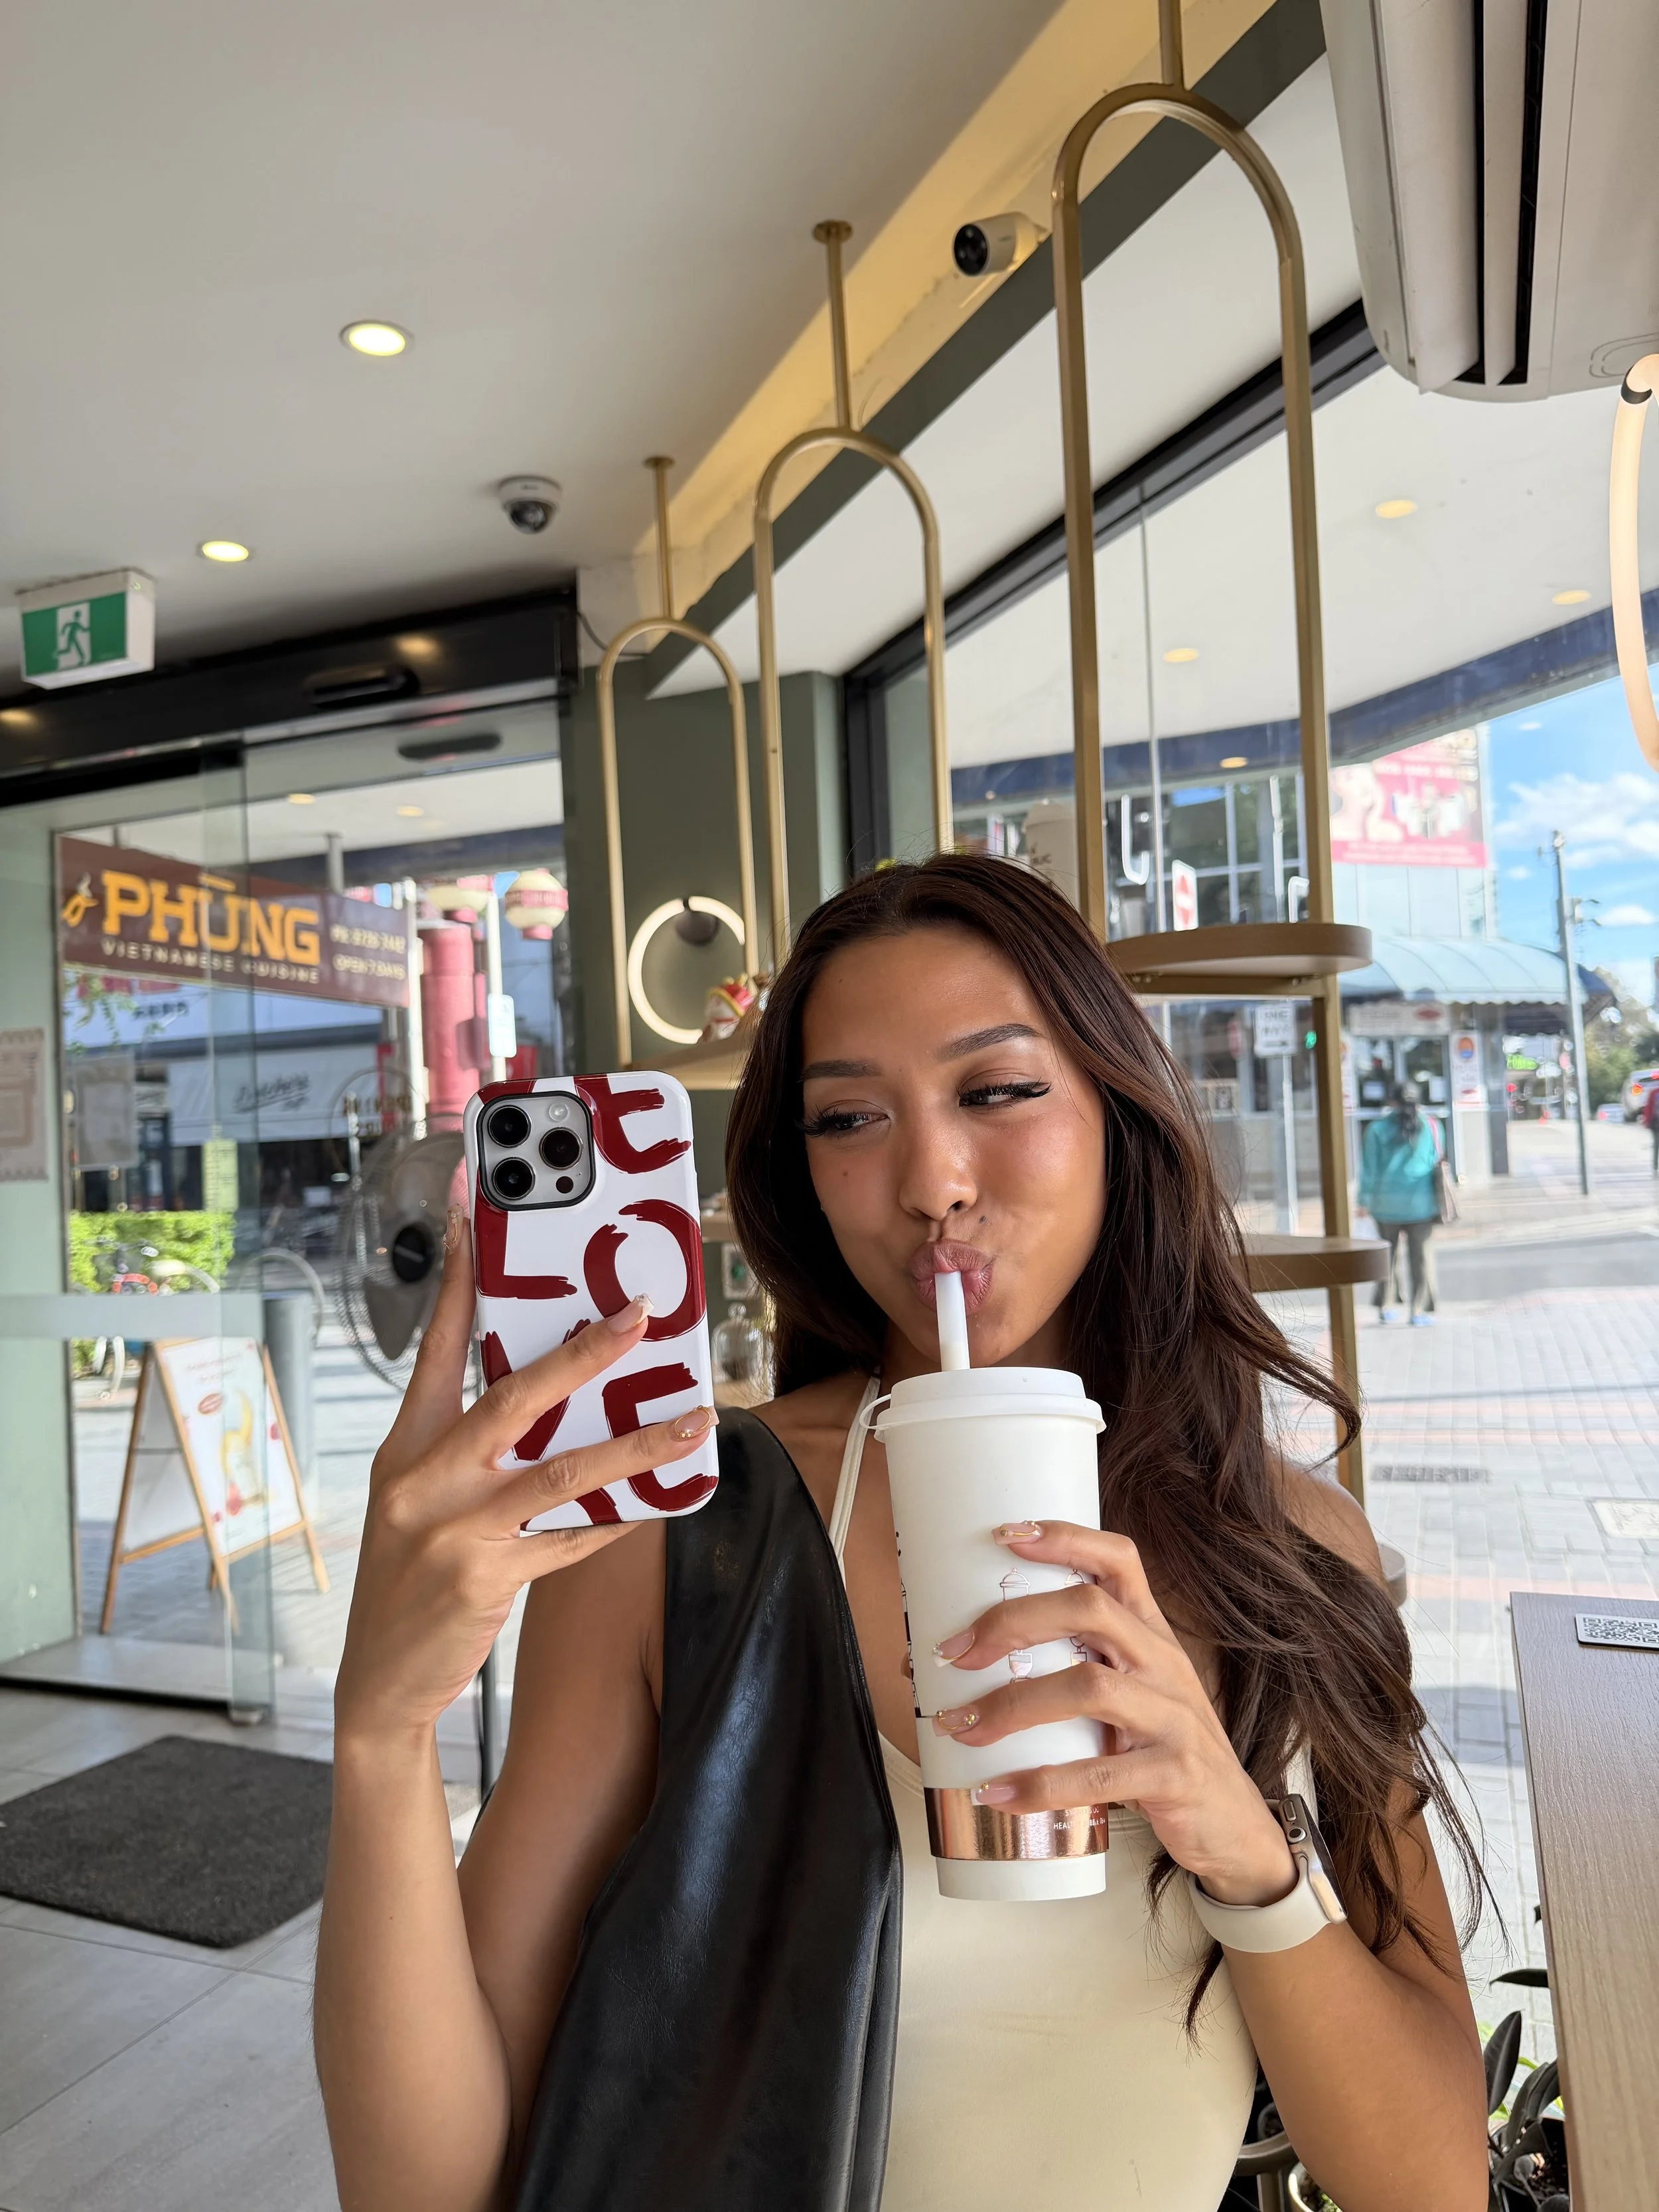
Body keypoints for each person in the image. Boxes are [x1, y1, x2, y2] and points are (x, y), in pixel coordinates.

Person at [315, 855, 1488, 2212]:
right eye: (847, 1119)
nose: (929, 1178)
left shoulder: (1292, 1549)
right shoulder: (684, 1530)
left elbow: (1427, 2180)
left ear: (1118, 1107)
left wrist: (1234, 1833)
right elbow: (422, 2188)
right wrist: (379, 1735)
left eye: (995, 1091)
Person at [1358, 1080, 1443, 1327]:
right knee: (1421, 1258)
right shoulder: (1433, 1126)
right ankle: (1418, 1311)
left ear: (1392, 1102)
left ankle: (1386, 1306)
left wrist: (1363, 1201)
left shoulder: (1376, 1129)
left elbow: (1369, 1170)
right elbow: (1435, 1159)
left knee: (1387, 1255)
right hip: (1421, 1203)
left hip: (1385, 1204)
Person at [1642, 1076, 1659, 1172]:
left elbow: (1648, 1108)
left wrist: (1647, 1121)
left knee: (1656, 1144)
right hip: (1656, 1123)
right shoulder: (1654, 1093)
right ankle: (1655, 1165)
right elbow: (1649, 1108)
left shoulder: (1654, 1093)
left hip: (1655, 1122)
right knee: (1656, 1144)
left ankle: (1655, 1166)